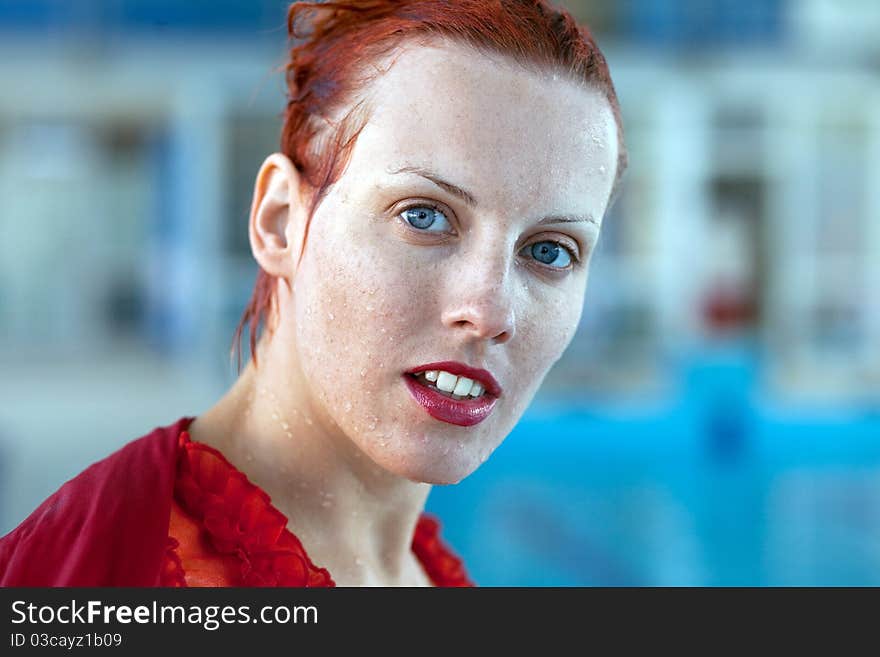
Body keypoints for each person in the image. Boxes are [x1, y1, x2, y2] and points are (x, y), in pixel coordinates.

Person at [0, 0, 626, 587]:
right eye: (424, 216)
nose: (490, 311)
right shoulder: (117, 573)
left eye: (549, 251)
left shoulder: (421, 570)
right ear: (279, 219)